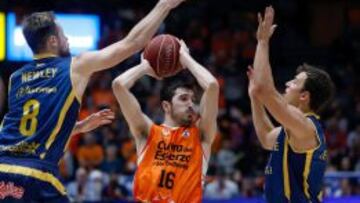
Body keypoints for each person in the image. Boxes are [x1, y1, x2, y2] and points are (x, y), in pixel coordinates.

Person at [0, 0, 185, 202]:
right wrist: (164, 5)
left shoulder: (16, 78)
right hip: (36, 174)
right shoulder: (75, 65)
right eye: (63, 34)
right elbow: (131, 43)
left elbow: (28, 130)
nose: (67, 39)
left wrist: (78, 127)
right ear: (53, 41)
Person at [112, 41, 219, 202]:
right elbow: (119, 85)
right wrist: (145, 67)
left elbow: (212, 85)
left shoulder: (200, 136)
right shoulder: (147, 133)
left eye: (193, 100)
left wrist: (186, 59)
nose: (191, 104)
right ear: (166, 106)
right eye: (184, 99)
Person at [248, 6, 335, 203]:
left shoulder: (305, 127)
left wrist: (262, 42)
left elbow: (265, 88)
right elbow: (265, 137)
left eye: (294, 82)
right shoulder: (293, 128)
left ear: (304, 96)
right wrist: (255, 98)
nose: (287, 84)